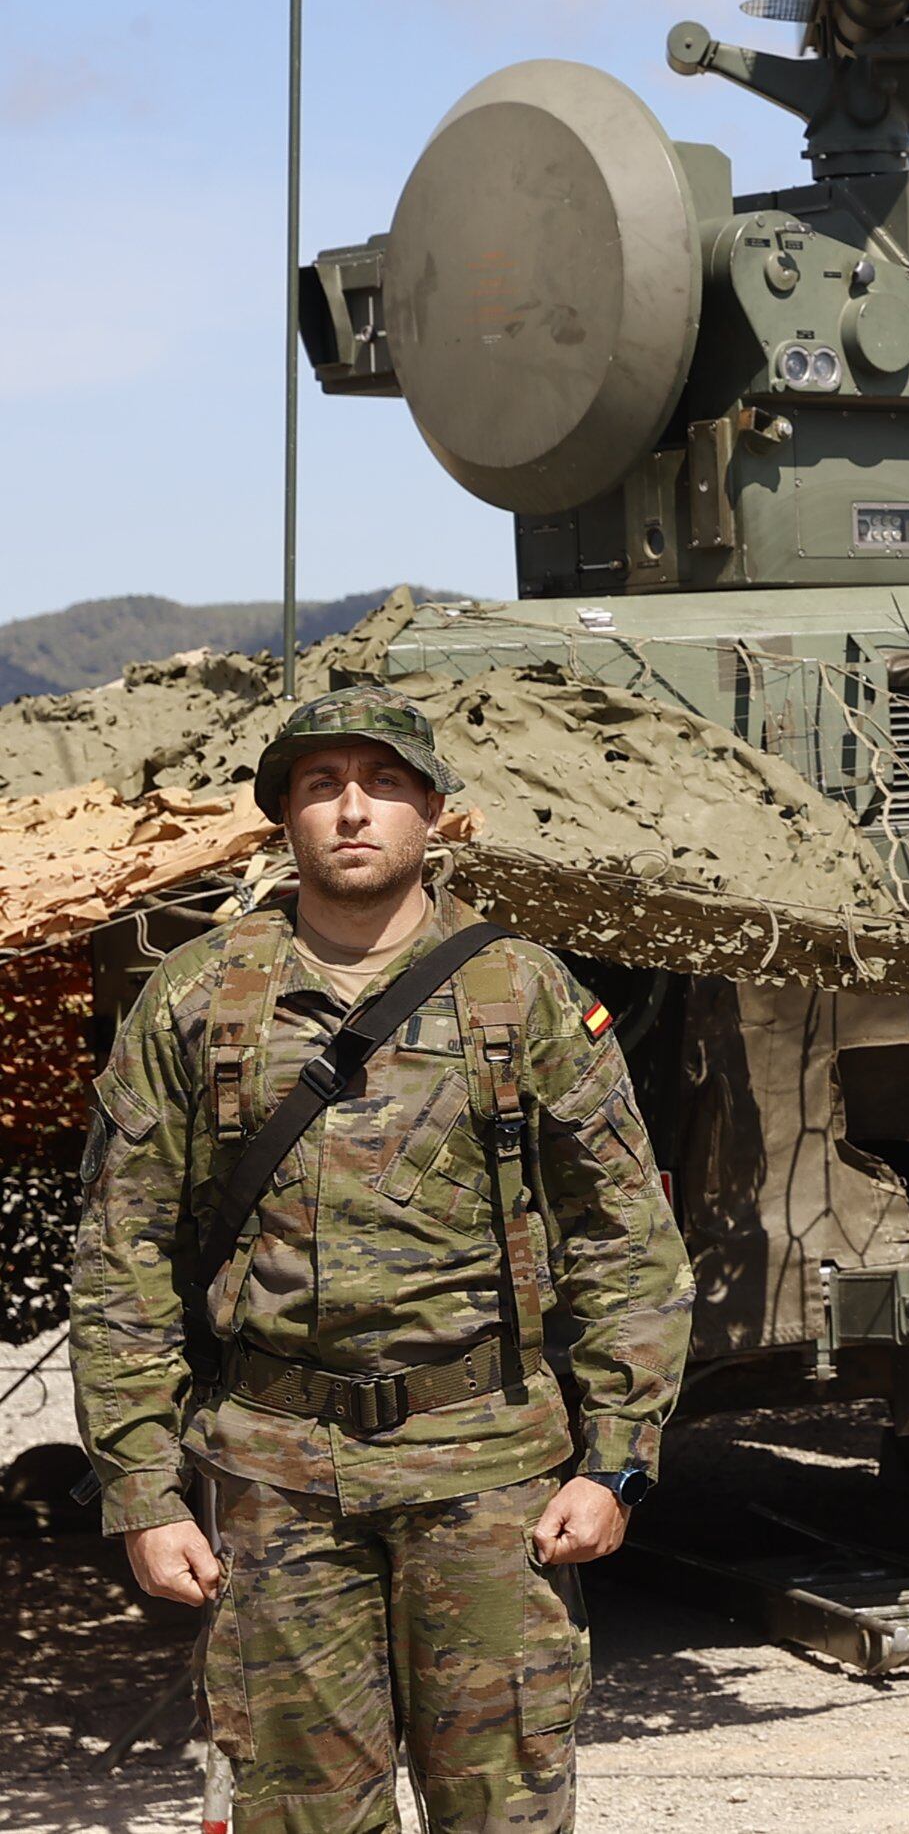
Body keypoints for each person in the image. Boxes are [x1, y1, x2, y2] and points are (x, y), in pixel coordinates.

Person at [72, 690, 692, 1833]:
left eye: (385, 782)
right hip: (275, 1486)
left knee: (504, 1813)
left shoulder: (525, 991)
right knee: (295, 1816)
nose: (353, 809)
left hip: (491, 1481)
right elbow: (124, 1257)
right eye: (321, 785)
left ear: (435, 812)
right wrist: (142, 1490)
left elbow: (629, 1248)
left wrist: (617, 1464)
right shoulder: (200, 997)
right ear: (283, 817)